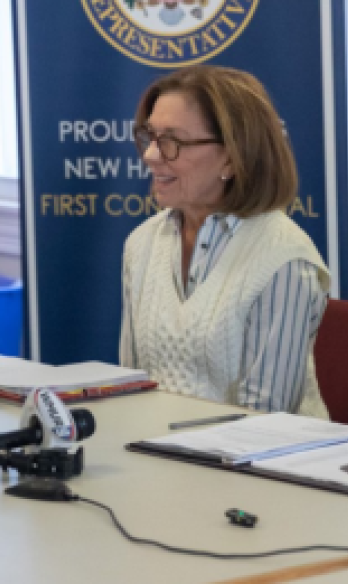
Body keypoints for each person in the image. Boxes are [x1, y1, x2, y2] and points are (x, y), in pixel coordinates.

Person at [119, 65, 330, 417]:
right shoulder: (142, 243)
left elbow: (265, 422)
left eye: (172, 142)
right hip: (156, 455)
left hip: (252, 467)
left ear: (232, 158)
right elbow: (133, 383)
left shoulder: (283, 261)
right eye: (150, 137)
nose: (150, 156)